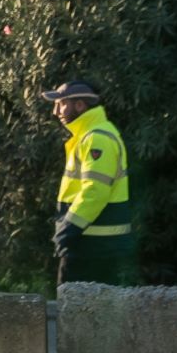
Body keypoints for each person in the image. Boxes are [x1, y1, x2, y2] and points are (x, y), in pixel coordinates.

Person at [43, 79, 136, 286]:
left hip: (92, 248)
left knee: (73, 314)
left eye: (61, 104)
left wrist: (68, 229)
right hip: (93, 245)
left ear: (79, 105)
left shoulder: (96, 138)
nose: (55, 111)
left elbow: (95, 191)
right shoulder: (91, 134)